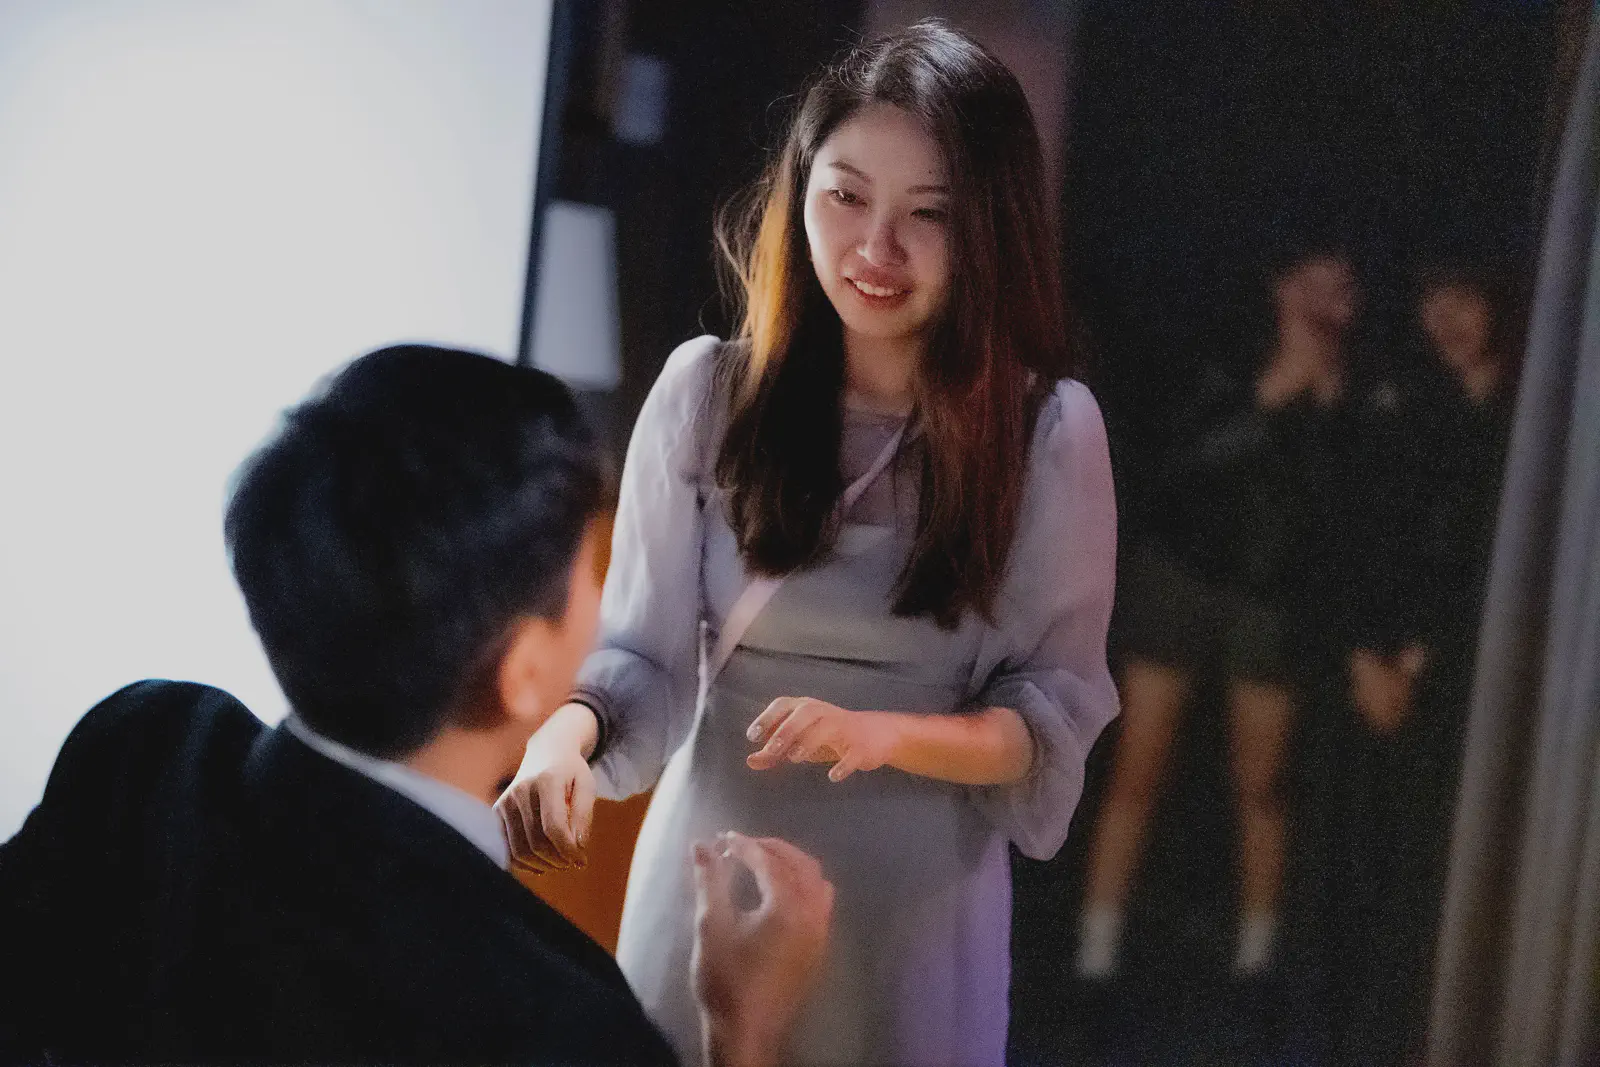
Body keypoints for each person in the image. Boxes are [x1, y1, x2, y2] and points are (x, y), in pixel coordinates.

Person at [500, 20, 1119, 1067]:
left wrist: (885, 733)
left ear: (992, 230)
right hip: (714, 873)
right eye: (846, 196)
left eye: (929, 214)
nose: (877, 248)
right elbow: (640, 659)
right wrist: (564, 739)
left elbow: (1048, 712)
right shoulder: (708, 394)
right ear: (799, 192)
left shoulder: (1046, 433)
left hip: (912, 906)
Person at [0, 345, 833, 1067]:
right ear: (523, 672)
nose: (598, 599)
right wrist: (744, 1029)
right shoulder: (563, 1027)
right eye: (588, 572)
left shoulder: (144, 751)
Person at [1078, 247, 1363, 980]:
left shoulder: (1360, 391)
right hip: (1180, 575)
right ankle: (1096, 951)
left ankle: (1256, 960)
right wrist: (1273, 395)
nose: (1324, 304)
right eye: (1311, 283)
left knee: (1263, 783)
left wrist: (1330, 406)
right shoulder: (1226, 357)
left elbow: (1352, 514)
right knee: (1137, 769)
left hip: (1272, 598)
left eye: (1340, 289)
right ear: (1280, 286)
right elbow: (1179, 466)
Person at [1315, 260, 1518, 1065]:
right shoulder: (1408, 402)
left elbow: (1481, 563)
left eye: (1464, 298)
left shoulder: (1523, 416)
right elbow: (1365, 531)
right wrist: (1367, 655)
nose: (1448, 321)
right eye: (1434, 304)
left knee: (1428, 864)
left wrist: (1417, 662)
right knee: (1360, 855)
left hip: (1460, 673)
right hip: (1378, 661)